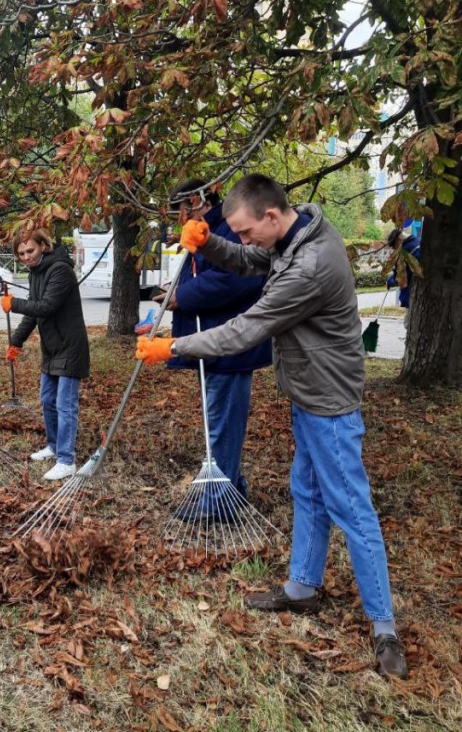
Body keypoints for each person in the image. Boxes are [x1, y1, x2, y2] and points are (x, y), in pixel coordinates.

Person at [136, 173, 407, 678]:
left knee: (350, 506)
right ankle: (302, 587)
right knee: (306, 491)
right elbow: (247, 259)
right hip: (308, 392)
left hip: (328, 400)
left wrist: (173, 346)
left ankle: (384, 626)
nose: (241, 239)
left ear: (270, 216)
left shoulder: (308, 266)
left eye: (242, 230)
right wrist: (210, 243)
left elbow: (248, 328)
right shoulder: (293, 232)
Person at [158, 179, 271, 510]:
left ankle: (217, 502)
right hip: (212, 342)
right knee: (218, 418)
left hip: (229, 344)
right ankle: (231, 487)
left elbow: (232, 279)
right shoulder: (207, 228)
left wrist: (182, 296)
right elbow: (203, 274)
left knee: (222, 422)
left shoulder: (228, 228)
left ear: (195, 200)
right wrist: (176, 288)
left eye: (179, 209)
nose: (178, 218)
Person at [2, 227, 90, 481]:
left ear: (43, 246)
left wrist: (14, 304)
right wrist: (16, 341)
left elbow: (47, 306)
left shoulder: (60, 269)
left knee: (65, 404)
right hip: (52, 347)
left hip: (70, 346)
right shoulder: (36, 273)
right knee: (48, 399)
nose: (27, 256)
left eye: (30, 250)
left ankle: (66, 460)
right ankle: (53, 446)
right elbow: (34, 312)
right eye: (21, 253)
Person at [386, 226, 421, 327]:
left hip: (413, 295)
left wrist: (390, 280)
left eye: (394, 245)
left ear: (399, 239)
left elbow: (401, 280)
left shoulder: (404, 252)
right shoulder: (419, 242)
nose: (394, 249)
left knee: (409, 326)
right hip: (421, 294)